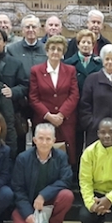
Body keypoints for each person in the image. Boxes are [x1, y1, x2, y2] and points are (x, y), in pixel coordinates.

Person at [11, 124, 73, 223]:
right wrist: (27, 213)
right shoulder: (22, 158)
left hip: (49, 201)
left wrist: (43, 195)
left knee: (67, 195)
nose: (44, 142)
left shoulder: (61, 157)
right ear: (34, 140)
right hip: (28, 203)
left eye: (48, 139)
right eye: (41, 138)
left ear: (54, 141)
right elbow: (17, 188)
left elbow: (66, 180)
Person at [29, 35, 79, 164]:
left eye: (59, 49)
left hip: (65, 121)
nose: (55, 52)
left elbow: (74, 95)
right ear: (47, 51)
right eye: (52, 49)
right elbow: (33, 97)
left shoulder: (70, 70)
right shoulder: (36, 71)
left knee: (67, 155)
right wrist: (48, 116)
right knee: (43, 154)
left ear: (63, 53)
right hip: (43, 120)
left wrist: (61, 114)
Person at [80, 44, 112, 146]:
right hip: (96, 131)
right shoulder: (92, 79)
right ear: (102, 60)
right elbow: (84, 105)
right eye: (107, 59)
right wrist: (91, 123)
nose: (110, 62)